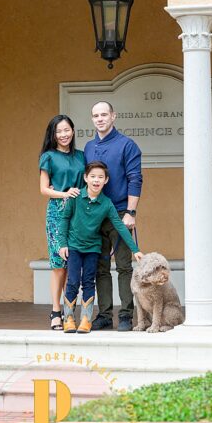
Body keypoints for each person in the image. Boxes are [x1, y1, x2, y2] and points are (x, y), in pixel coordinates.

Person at [57, 162, 142, 334]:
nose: (96, 180)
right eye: (93, 176)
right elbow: (64, 220)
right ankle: (69, 319)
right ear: (86, 178)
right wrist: (62, 244)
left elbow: (119, 226)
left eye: (100, 177)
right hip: (74, 247)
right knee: (73, 281)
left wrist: (135, 249)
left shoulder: (107, 203)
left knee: (89, 281)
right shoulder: (75, 197)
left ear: (106, 180)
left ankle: (86, 319)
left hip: (93, 249)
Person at [82, 101, 143, 331]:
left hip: (119, 212)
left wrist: (131, 211)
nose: (100, 119)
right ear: (92, 119)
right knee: (100, 267)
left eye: (104, 114)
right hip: (94, 215)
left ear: (113, 116)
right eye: (96, 115)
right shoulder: (88, 147)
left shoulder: (127, 145)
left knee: (125, 266)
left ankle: (126, 315)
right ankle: (105, 314)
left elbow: (135, 179)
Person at [38, 114, 86, 331]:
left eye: (67, 130)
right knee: (60, 266)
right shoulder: (48, 156)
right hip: (57, 213)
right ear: (53, 135)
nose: (63, 134)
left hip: (78, 213)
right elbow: (43, 189)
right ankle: (56, 311)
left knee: (74, 265)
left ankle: (70, 313)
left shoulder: (81, 156)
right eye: (59, 131)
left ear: (73, 131)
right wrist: (63, 193)